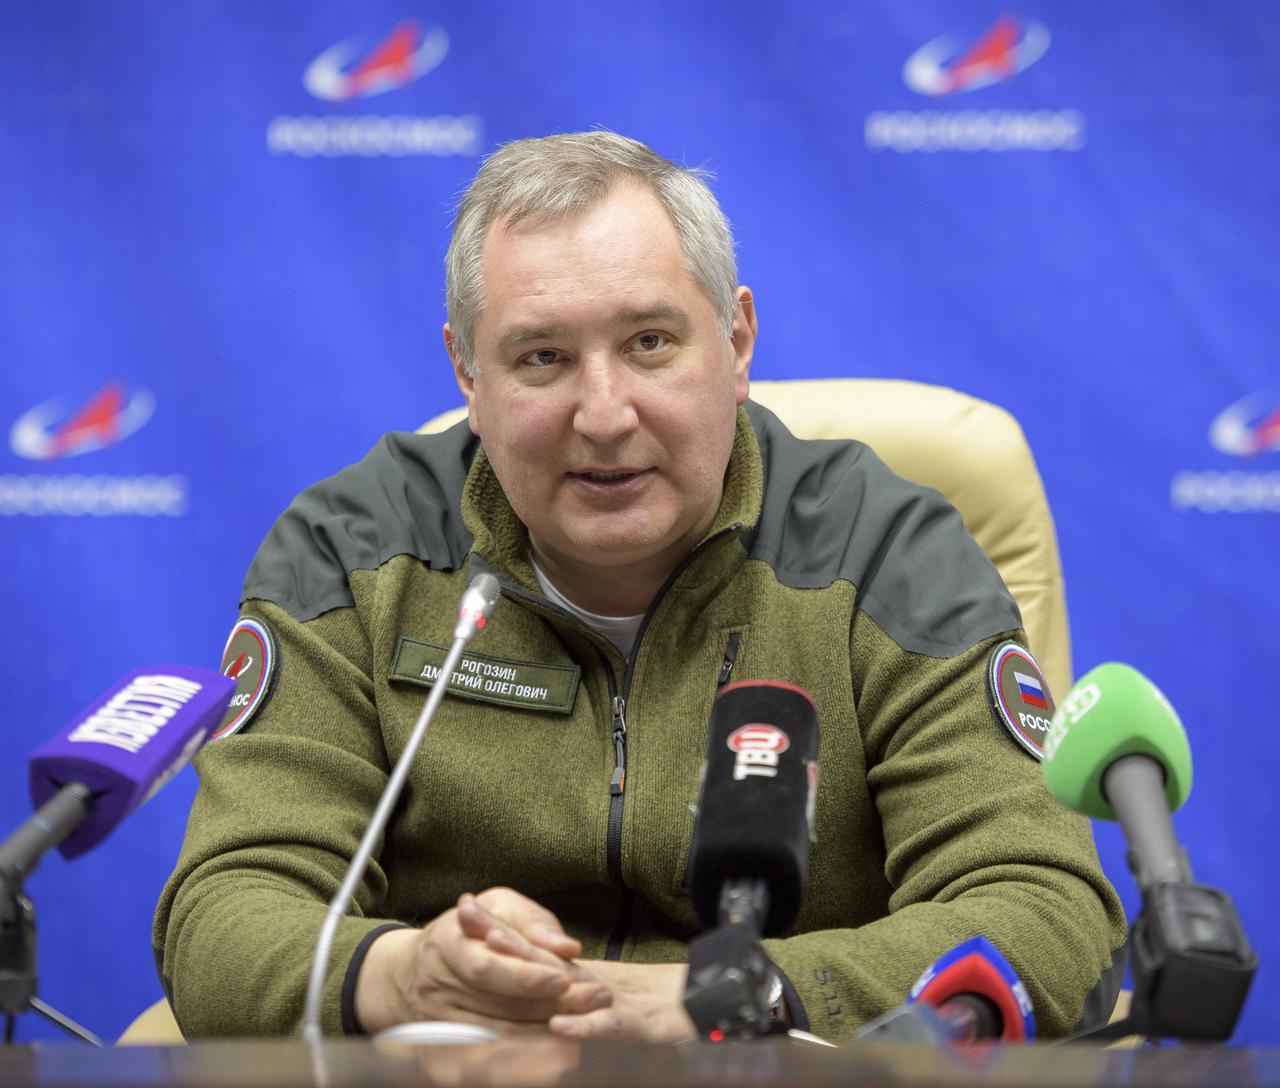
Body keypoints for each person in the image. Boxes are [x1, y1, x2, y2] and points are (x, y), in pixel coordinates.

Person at [154, 131, 1126, 1042]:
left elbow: (1045, 911)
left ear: (736, 342)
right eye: (542, 358)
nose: (604, 412)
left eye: (650, 342)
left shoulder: (882, 549)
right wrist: (398, 971)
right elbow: (224, 908)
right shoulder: (351, 551)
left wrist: (738, 993)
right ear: (465, 371)